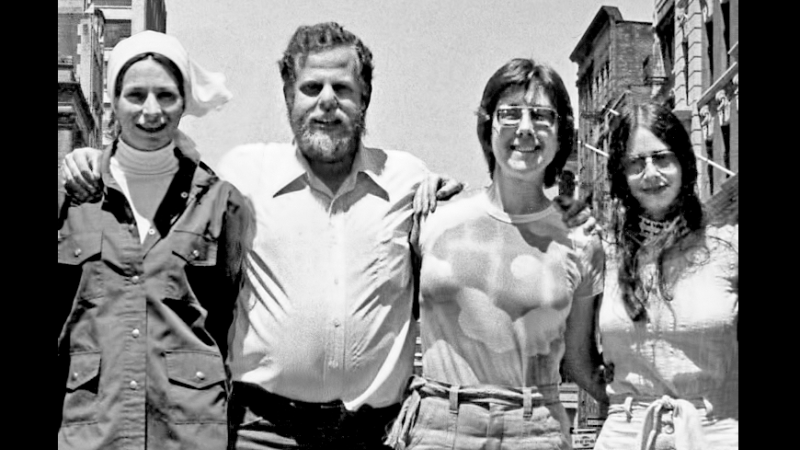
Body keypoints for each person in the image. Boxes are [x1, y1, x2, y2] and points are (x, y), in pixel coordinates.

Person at [385, 58, 607, 450]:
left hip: (536, 427)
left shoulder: (581, 241)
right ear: (487, 128)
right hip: (438, 425)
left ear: (561, 134)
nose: (525, 128)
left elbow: (581, 360)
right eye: (509, 113)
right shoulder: (432, 218)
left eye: (541, 115)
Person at [57, 31, 250, 449]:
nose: (150, 111)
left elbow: (234, 327)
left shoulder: (221, 203)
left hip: (189, 434)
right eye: (136, 95)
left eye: (165, 95)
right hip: (92, 431)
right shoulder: (72, 200)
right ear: (113, 101)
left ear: (183, 102)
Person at [592, 101, 738, 449]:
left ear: (684, 163)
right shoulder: (599, 252)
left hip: (717, 433)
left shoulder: (729, 248)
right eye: (636, 163)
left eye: (662, 158)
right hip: (625, 436)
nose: (651, 173)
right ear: (621, 175)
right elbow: (579, 359)